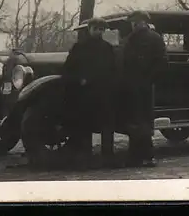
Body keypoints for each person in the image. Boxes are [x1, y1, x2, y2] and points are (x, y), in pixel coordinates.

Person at [61, 17, 117, 169]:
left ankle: (107, 157)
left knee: (107, 126)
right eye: (96, 29)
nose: (98, 32)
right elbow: (68, 69)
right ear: (90, 29)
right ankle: (85, 157)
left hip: (103, 93)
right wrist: (79, 80)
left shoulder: (107, 48)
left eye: (101, 29)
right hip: (85, 93)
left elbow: (113, 69)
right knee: (84, 126)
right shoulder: (79, 48)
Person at [122, 10, 167, 167]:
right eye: (133, 22)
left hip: (145, 85)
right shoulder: (130, 39)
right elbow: (124, 61)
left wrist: (149, 79)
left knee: (144, 121)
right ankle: (135, 156)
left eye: (137, 21)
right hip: (132, 85)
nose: (135, 24)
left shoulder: (154, 38)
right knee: (135, 121)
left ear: (144, 22)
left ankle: (147, 156)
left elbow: (161, 61)